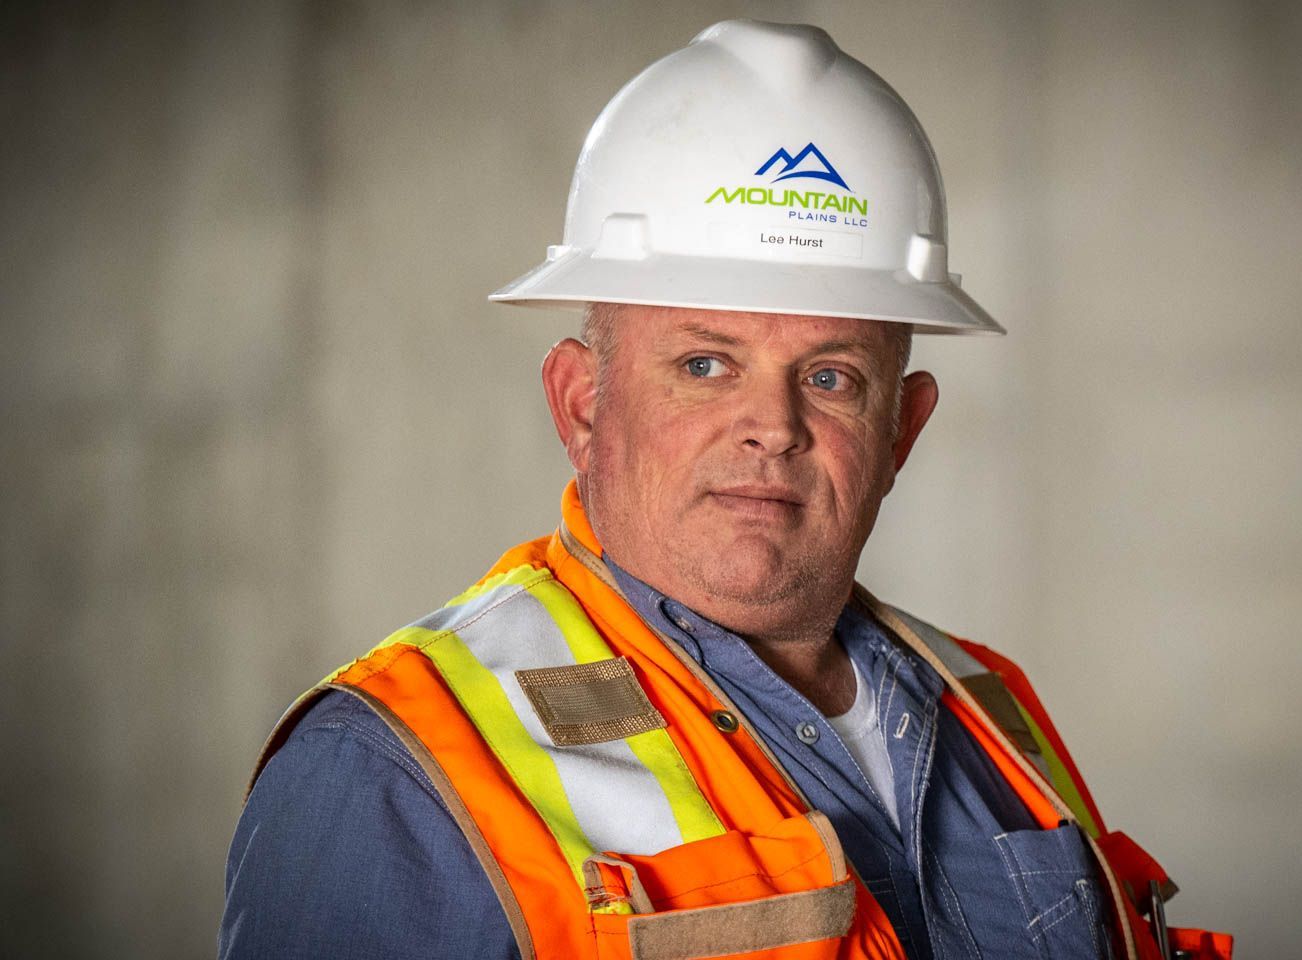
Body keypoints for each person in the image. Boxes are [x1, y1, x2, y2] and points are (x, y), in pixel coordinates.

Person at [219, 19, 1231, 960]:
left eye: (831, 376)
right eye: (706, 364)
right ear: (581, 404)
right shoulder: (393, 769)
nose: (774, 426)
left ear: (902, 431)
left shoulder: (987, 712)